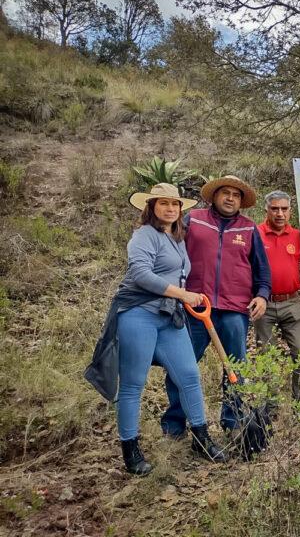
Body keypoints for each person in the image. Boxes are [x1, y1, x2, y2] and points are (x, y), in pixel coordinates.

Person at [113, 183, 226, 474]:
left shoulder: (175, 237)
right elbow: (140, 274)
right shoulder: (143, 236)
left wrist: (190, 296)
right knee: (132, 385)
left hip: (169, 319)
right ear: (151, 207)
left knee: (189, 375)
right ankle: (131, 450)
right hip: (139, 315)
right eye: (163, 203)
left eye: (175, 204)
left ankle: (201, 440)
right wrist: (182, 294)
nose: (170, 209)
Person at [161, 175, 271, 438]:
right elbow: (169, 254)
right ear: (215, 196)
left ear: (241, 201)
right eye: (226, 193)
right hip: (195, 306)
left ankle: (232, 422)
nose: (230, 198)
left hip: (234, 309)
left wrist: (262, 295)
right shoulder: (193, 220)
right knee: (182, 365)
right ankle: (175, 424)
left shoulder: (248, 229)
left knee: (235, 368)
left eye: (236, 194)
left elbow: (262, 272)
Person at [255, 190, 300, 401]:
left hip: (292, 302)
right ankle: (271, 406)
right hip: (263, 304)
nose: (279, 213)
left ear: (290, 212)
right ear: (266, 210)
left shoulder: (297, 236)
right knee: (267, 356)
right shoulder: (255, 233)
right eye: (275, 209)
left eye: (284, 209)